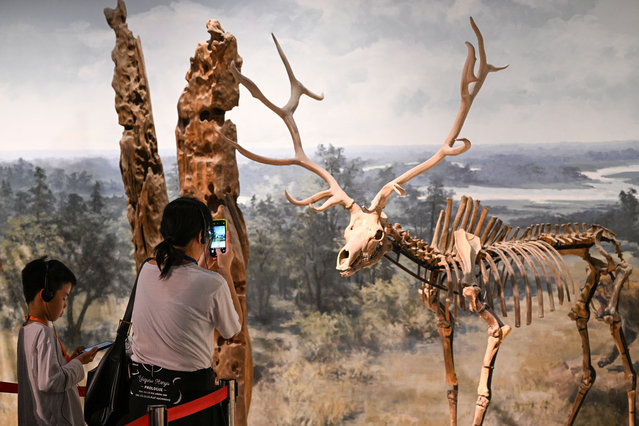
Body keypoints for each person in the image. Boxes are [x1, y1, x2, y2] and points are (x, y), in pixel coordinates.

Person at [122, 197, 243, 425]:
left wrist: (200, 268)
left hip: (141, 399)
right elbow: (233, 329)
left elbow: (179, 285)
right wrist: (224, 271)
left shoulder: (146, 270)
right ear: (201, 236)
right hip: (189, 403)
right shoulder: (213, 284)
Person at [17, 257, 98, 425]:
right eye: (64, 298)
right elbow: (50, 381)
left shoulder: (26, 330)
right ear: (46, 295)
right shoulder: (43, 333)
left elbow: (43, 373)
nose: (65, 305)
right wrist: (78, 363)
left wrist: (71, 360)